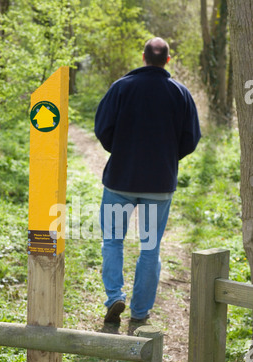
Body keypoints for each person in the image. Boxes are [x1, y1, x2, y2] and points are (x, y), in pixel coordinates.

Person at [94, 37, 201, 325]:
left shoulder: (121, 88)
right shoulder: (180, 93)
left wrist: (121, 152)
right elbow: (191, 139)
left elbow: (102, 128)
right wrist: (167, 157)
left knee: (113, 242)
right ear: (167, 60)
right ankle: (140, 313)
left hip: (120, 181)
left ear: (143, 57)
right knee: (150, 248)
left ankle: (115, 295)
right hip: (159, 184)